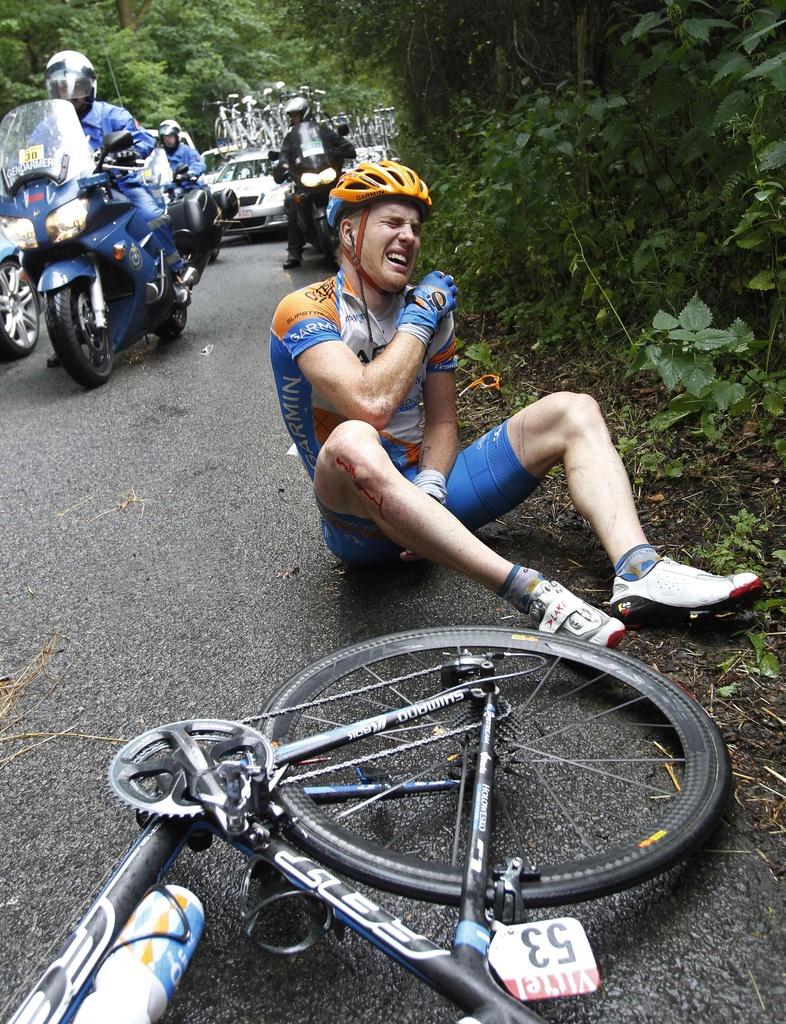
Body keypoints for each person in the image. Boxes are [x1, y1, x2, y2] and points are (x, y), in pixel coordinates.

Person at [269, 159, 762, 646]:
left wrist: (434, 490)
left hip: (425, 498)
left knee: (575, 409)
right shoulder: (307, 309)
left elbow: (442, 422)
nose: (409, 237)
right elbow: (371, 402)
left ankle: (640, 571)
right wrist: (419, 319)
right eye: (392, 223)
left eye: (415, 228)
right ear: (351, 233)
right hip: (359, 521)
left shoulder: (428, 310)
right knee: (354, 437)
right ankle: (533, 593)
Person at [44, 51, 195, 303]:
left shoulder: (109, 114)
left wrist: (128, 151)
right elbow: (32, 153)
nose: (69, 93)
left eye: (75, 85)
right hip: (69, 194)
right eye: (60, 86)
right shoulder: (49, 126)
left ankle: (176, 272)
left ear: (89, 85)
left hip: (118, 184)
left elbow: (143, 137)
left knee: (150, 216)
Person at [277, 95, 355, 270]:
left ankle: (360, 238)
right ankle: (294, 253)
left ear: (304, 113)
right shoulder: (290, 138)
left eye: (295, 115)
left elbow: (345, 146)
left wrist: (339, 151)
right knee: (292, 203)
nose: (292, 118)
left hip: (327, 176)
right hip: (306, 181)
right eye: (291, 116)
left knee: (350, 195)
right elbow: (284, 155)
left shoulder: (322, 131)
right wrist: (282, 165)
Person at [158, 119, 206, 184]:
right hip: (168, 189)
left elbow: (199, 165)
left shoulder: (188, 151)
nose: (167, 139)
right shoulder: (160, 155)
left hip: (188, 188)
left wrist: (187, 174)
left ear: (176, 136)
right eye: (165, 137)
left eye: (170, 136)